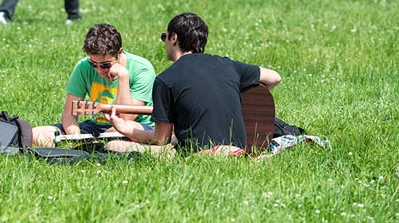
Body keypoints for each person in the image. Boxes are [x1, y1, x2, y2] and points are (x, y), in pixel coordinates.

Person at [106, 12, 281, 155]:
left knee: (114, 145)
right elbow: (274, 78)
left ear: (173, 38)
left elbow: (160, 139)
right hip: (240, 146)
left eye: (164, 37)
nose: (164, 42)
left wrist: (125, 129)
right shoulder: (228, 65)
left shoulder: (165, 80)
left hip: (199, 153)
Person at [32, 23, 156, 147]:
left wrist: (123, 77)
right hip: (95, 127)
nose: (99, 70)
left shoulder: (142, 69)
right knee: (38, 134)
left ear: (120, 52)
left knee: (115, 138)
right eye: (93, 64)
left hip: (133, 128)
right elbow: (69, 114)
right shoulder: (83, 66)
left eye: (105, 65)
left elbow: (126, 118)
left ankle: (100, 146)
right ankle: (94, 147)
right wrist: (76, 139)